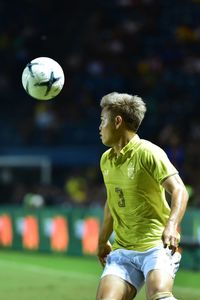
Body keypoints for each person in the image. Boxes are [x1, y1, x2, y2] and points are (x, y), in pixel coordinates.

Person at [96, 92, 188, 300]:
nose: (100, 128)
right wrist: (102, 241)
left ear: (117, 121)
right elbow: (112, 203)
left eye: (103, 121)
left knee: (159, 295)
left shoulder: (149, 152)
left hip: (155, 246)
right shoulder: (106, 160)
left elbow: (179, 189)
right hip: (123, 251)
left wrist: (172, 225)